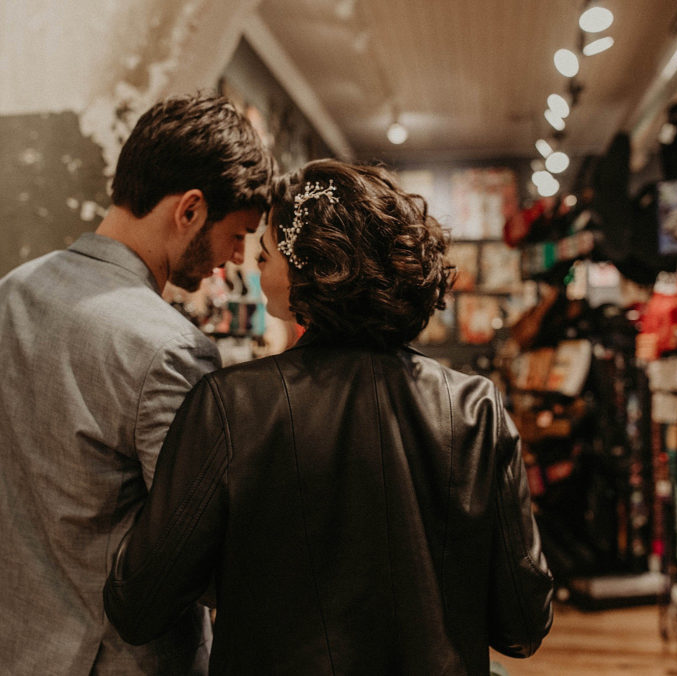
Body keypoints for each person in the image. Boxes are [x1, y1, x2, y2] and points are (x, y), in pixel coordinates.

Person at [104, 159, 554, 674]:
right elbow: (523, 623)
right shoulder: (475, 409)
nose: (255, 265)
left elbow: (139, 605)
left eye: (266, 251)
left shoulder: (230, 406)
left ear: (308, 265)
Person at [0, 93, 275, 675]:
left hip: (1, 654)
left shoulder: (2, 296)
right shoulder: (170, 347)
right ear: (190, 210)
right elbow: (198, 558)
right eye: (239, 233)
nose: (236, 258)